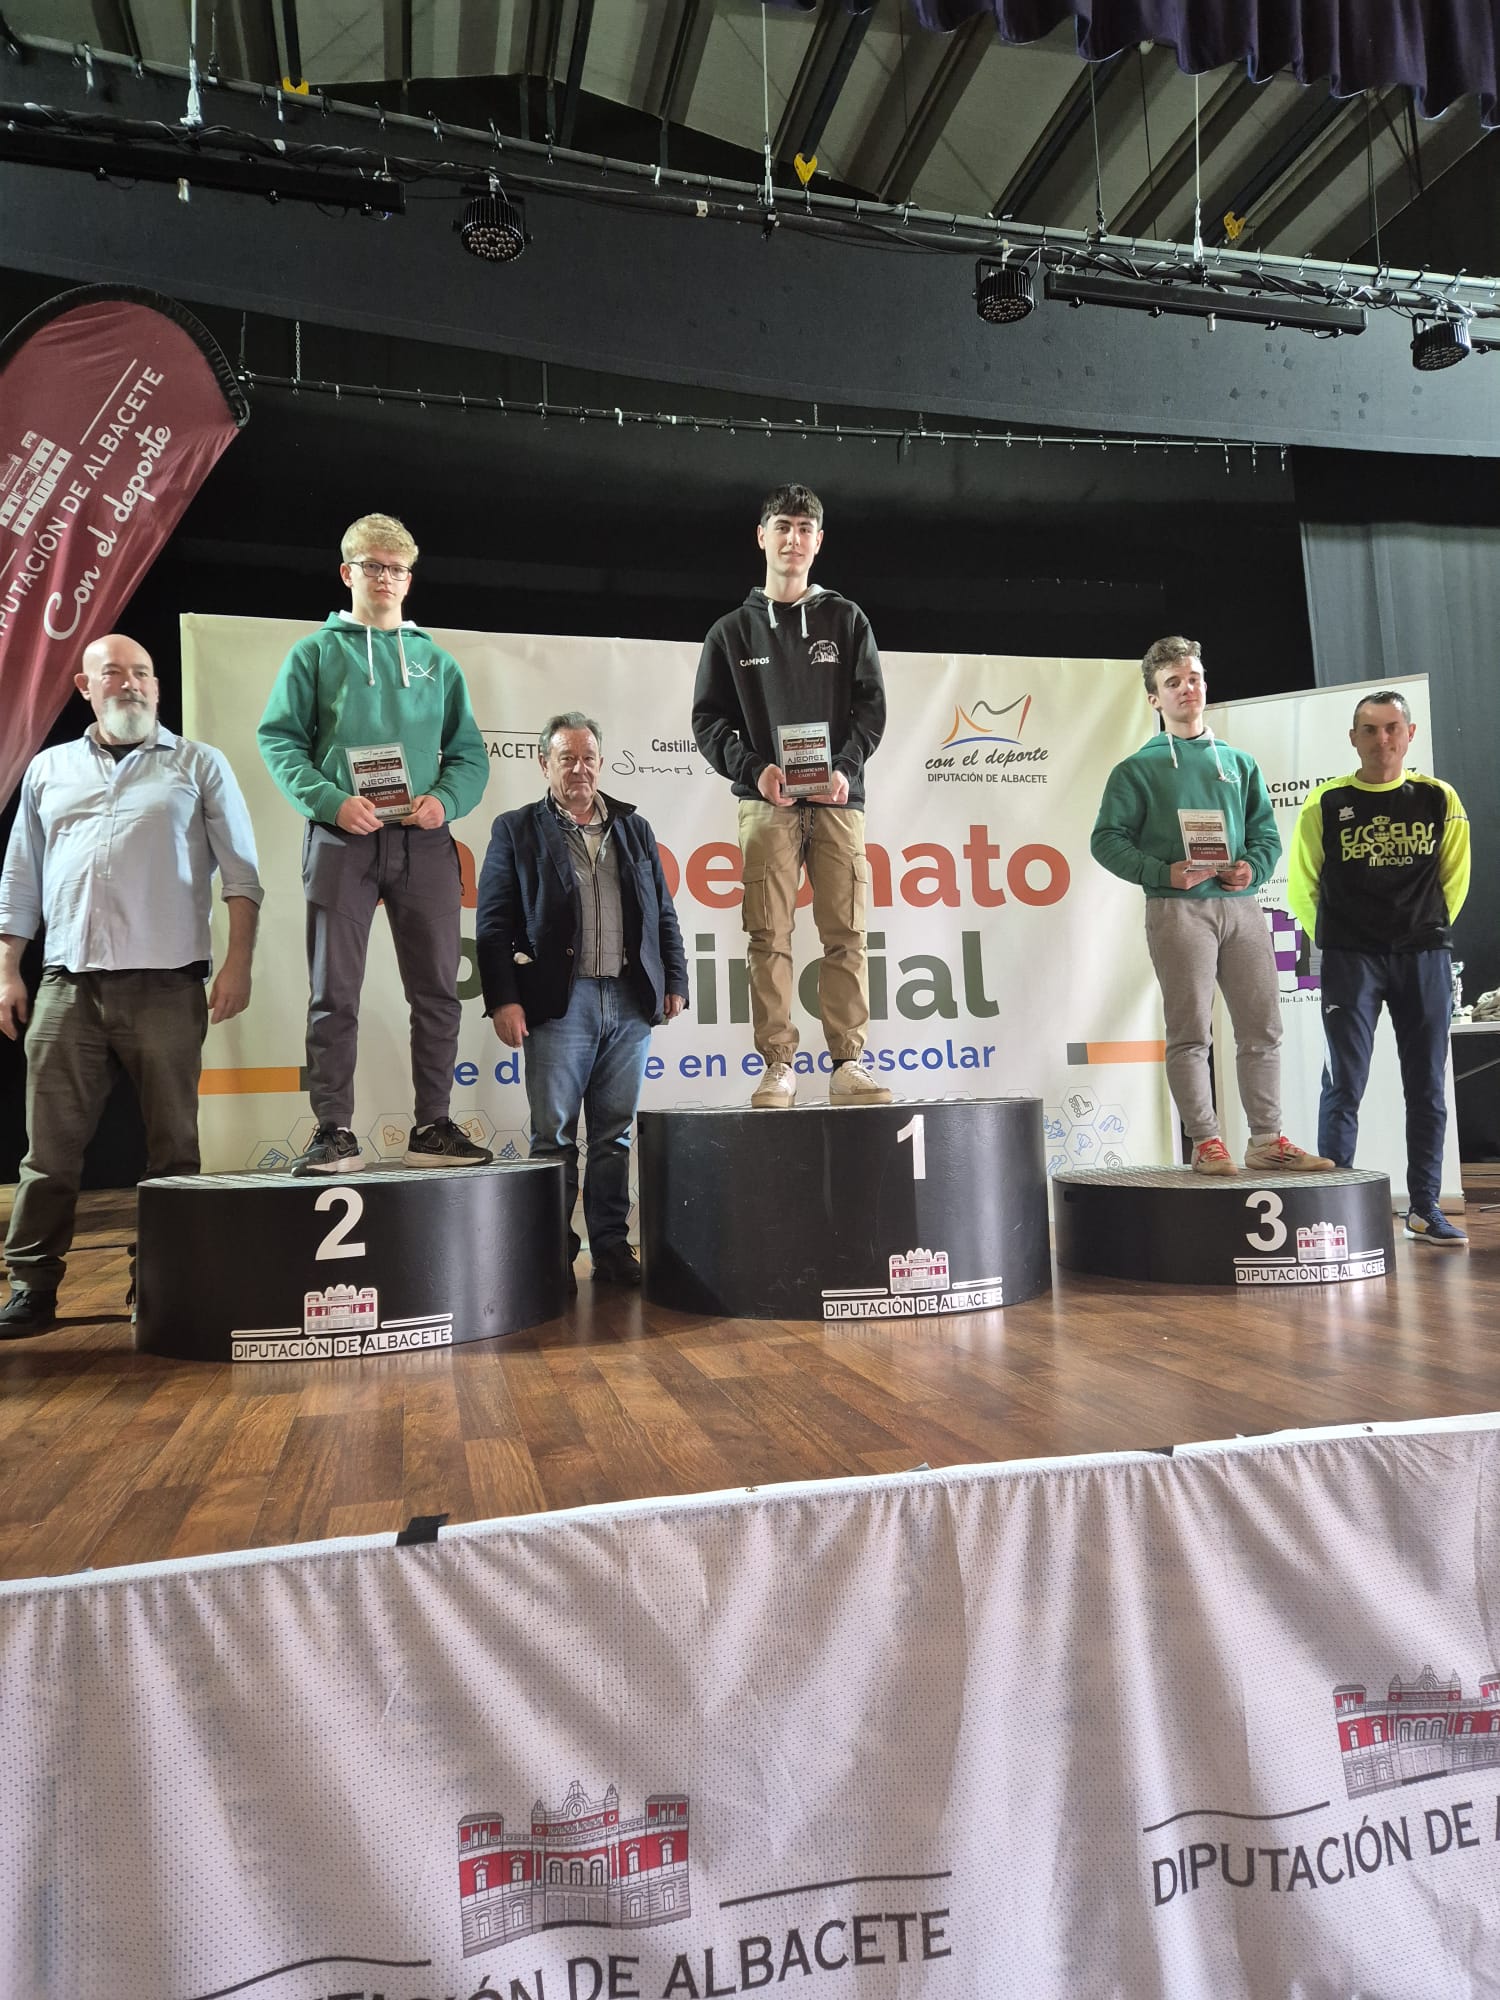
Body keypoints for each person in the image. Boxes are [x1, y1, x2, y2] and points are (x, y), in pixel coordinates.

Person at [0, 634, 262, 1334]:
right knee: (48, 1154)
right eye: (114, 673)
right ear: (84, 686)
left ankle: (165, 1283)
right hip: (67, 987)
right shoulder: (49, 768)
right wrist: (6, 969)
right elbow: (20, 877)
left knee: (173, 1150)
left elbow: (242, 876)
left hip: (167, 987)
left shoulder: (198, 764)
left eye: (143, 673)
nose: (132, 684)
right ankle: (32, 1286)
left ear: (157, 686)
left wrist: (238, 963)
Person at [258, 512, 492, 1176]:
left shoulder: (437, 663)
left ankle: (433, 1127)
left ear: (409, 579)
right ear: (348, 573)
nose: (385, 578)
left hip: (424, 843)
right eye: (372, 566)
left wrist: (445, 800)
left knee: (438, 991)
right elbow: (279, 740)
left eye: (396, 568)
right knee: (334, 992)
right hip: (342, 839)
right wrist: (332, 801)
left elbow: (470, 757)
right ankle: (333, 1131)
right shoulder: (314, 654)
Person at [1091, 635, 1331, 1177]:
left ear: (1205, 684)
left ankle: (1266, 1139)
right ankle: (1206, 1141)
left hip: (1241, 907)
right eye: (1173, 682)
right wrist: (1163, 873)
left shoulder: (1240, 763)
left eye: (1194, 678)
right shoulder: (1136, 770)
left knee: (1262, 1028)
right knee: (1191, 1033)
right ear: (1154, 698)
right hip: (1178, 911)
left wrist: (1253, 868)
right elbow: (1105, 840)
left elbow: (1266, 835)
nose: (1187, 689)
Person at [692, 484, 890, 1109]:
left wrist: (845, 767)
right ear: (762, 536)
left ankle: (848, 1064)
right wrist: (755, 771)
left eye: (805, 529)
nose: (793, 539)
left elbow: (871, 708)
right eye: (782, 526)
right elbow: (708, 721)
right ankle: (778, 1065)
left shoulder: (847, 619)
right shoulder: (730, 632)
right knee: (768, 937)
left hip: (838, 801)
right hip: (767, 804)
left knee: (847, 934)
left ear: (819, 542)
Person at [476, 713, 687, 1288]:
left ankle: (612, 1248)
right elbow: (493, 926)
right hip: (558, 1005)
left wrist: (675, 979)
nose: (579, 769)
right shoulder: (515, 829)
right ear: (544, 764)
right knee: (554, 1137)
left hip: (629, 1000)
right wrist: (504, 999)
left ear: (601, 762)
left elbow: (663, 912)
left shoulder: (633, 828)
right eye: (566, 758)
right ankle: (552, 1254)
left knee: (615, 1135)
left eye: (588, 757)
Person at [1288, 690, 1471, 1243]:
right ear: (1353, 738)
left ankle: (1424, 1207)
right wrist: (1340, 939)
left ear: (1409, 735)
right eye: (1369, 729)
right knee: (1344, 1083)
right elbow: (1303, 884)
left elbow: (1454, 878)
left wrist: (1421, 929)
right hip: (1351, 960)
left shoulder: (1438, 798)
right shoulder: (1326, 802)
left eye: (1392, 728)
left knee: (1427, 1088)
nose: (1382, 739)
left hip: (1424, 957)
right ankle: (1336, 1208)